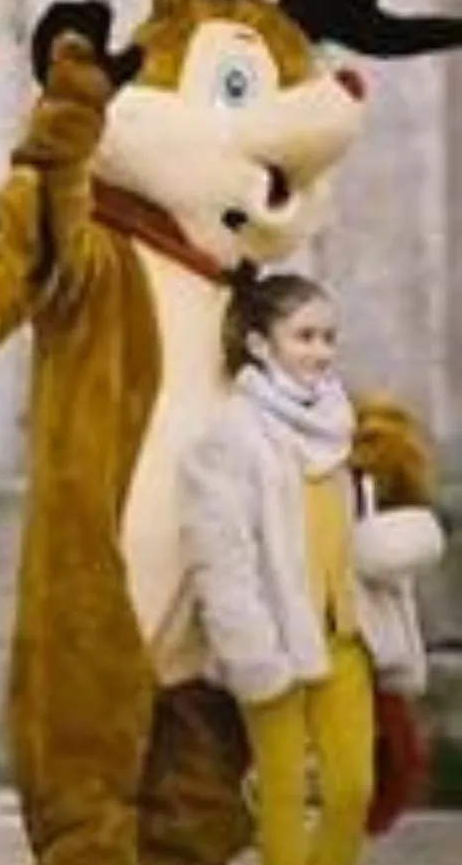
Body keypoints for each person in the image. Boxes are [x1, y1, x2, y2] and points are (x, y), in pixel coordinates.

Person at [177, 272, 444, 865]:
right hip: (275, 646)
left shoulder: (345, 429)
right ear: (259, 345)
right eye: (304, 337)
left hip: (348, 640)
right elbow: (220, 557)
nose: (321, 351)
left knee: (353, 788)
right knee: (284, 794)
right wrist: (253, 653)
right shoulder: (233, 439)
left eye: (329, 337)